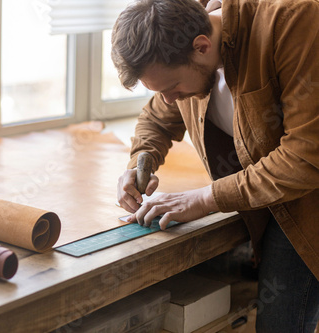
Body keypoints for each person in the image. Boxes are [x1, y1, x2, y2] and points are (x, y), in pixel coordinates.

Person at [112, 0, 319, 331]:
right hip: (261, 195)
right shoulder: (185, 47)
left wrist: (203, 199)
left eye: (171, 88)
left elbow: (305, 157)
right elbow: (156, 120)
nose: (168, 99)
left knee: (280, 322)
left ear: (202, 47)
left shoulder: (292, 20)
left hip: (307, 201)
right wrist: (141, 162)